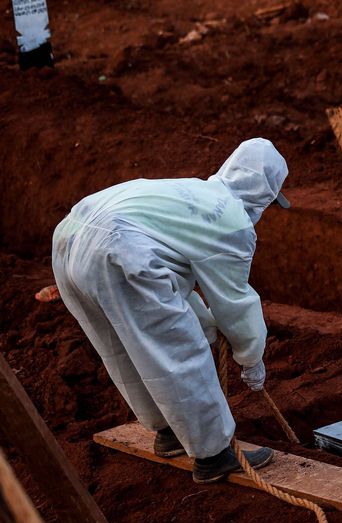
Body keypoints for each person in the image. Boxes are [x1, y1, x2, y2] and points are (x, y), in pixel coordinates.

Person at [52, 138, 290, 482]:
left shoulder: (191, 194)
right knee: (178, 350)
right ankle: (213, 456)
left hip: (70, 238)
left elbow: (173, 280)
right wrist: (251, 358)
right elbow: (234, 302)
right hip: (119, 249)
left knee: (122, 346)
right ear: (264, 192)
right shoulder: (232, 221)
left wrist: (207, 324)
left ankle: (168, 432)